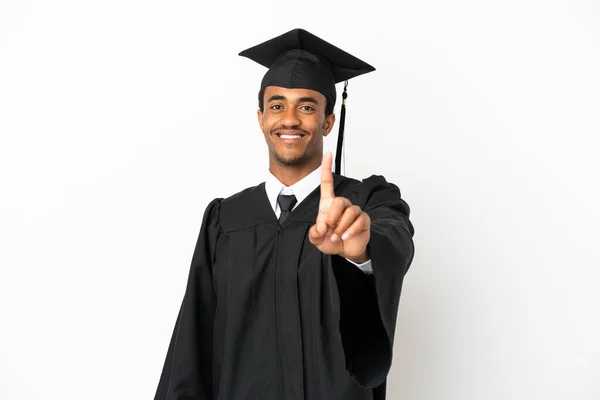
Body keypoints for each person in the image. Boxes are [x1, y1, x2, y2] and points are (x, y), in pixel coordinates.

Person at [154, 28, 415, 400]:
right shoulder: (225, 218)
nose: (289, 118)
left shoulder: (366, 201)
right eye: (277, 105)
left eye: (307, 106)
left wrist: (360, 253)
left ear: (327, 121)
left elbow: (394, 235)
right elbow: (193, 343)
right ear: (261, 117)